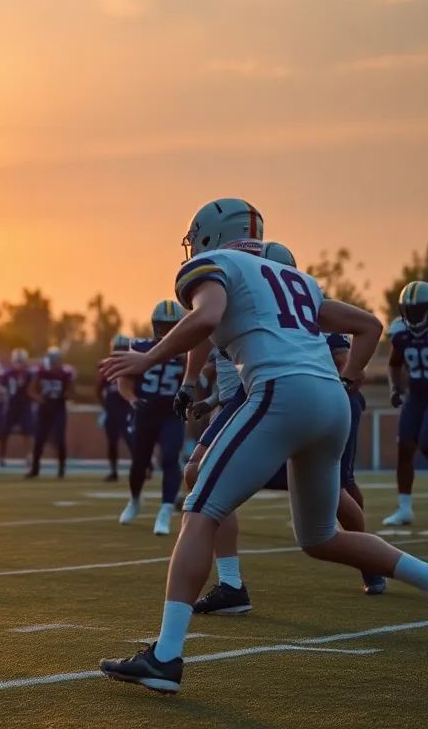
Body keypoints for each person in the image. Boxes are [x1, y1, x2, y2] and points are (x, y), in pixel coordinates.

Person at [98, 198, 428, 694]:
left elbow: (207, 317)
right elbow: (370, 326)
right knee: (320, 536)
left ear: (207, 236)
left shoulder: (216, 265)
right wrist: (349, 382)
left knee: (200, 507)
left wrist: (146, 359)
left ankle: (166, 655)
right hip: (330, 402)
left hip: (281, 393)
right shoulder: (294, 278)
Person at [179, 241, 386, 615]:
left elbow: (355, 342)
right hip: (244, 399)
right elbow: (204, 336)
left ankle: (372, 563)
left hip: (291, 397)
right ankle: (230, 582)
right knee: (197, 473)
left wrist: (345, 382)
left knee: (334, 499)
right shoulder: (238, 294)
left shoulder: (300, 310)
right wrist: (198, 389)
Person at [382, 281, 428, 525]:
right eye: (409, 310)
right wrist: (395, 387)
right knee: (404, 449)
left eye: (418, 309)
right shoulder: (400, 331)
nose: (412, 315)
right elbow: (394, 363)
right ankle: (404, 509)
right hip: (416, 395)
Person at [117, 302, 186, 536]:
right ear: (155, 326)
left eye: (172, 327)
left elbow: (198, 375)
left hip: (171, 413)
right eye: (164, 327)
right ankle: (135, 500)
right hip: (145, 412)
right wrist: (132, 399)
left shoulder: (187, 351)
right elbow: (123, 380)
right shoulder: (139, 347)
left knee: (169, 457)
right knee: (139, 464)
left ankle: (165, 511)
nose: (167, 332)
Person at [28, 347, 74, 479]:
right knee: (39, 440)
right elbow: (31, 390)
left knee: (60, 438)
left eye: (58, 360)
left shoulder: (65, 374)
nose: (56, 363)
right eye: (54, 361)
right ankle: (35, 469)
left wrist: (65, 395)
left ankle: (61, 469)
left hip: (58, 409)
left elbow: (71, 391)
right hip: (44, 410)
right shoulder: (41, 373)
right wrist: (39, 398)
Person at [96, 334, 133, 482]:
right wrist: (105, 406)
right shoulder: (106, 366)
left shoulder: (133, 364)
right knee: (112, 443)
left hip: (127, 409)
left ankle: (144, 466)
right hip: (112, 411)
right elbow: (98, 389)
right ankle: (113, 471)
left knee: (133, 441)